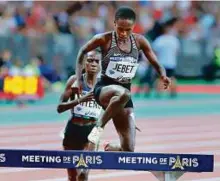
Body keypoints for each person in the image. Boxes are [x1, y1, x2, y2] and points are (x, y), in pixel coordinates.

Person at [74, 7, 171, 152]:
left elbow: (156, 63)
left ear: (134, 27)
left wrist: (163, 75)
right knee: (124, 94)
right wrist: (79, 79)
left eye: (128, 30)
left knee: (129, 150)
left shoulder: (139, 41)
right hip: (104, 90)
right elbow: (82, 51)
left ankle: (110, 147)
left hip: (124, 96)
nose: (123, 33)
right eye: (120, 29)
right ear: (114, 24)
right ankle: (98, 128)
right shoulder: (104, 39)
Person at [57, 50, 102, 181]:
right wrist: (80, 100)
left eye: (97, 61)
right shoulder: (74, 81)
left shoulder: (104, 84)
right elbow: (59, 108)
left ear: (100, 65)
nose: (93, 64)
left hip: (91, 131)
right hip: (73, 129)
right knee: (72, 176)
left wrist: (128, 118)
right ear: (83, 63)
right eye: (90, 60)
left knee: (83, 174)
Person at [152, 17, 180, 98]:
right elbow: (176, 52)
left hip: (162, 62)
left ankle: (159, 94)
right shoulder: (174, 40)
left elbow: (155, 52)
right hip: (171, 62)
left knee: (160, 79)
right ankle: (173, 93)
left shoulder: (159, 40)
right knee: (172, 78)